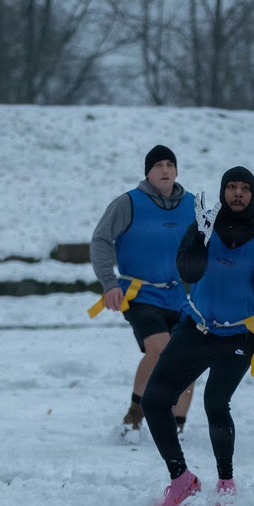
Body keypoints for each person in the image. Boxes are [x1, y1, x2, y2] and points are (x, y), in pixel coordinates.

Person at [141, 166, 254, 506]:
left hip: (239, 335)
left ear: (253, 194)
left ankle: (226, 480)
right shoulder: (202, 228)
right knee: (153, 401)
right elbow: (188, 273)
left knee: (215, 402)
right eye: (232, 187)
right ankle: (181, 478)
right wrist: (199, 238)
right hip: (195, 330)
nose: (238, 193)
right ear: (222, 191)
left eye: (245, 188)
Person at [89, 145, 197, 438]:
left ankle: (176, 426)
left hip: (177, 295)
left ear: (176, 170)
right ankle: (135, 414)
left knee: (189, 357)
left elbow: (212, 245)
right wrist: (109, 283)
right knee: (161, 348)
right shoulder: (129, 203)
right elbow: (100, 240)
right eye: (158, 165)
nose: (165, 170)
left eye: (170, 165)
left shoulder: (193, 205)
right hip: (139, 294)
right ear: (147, 172)